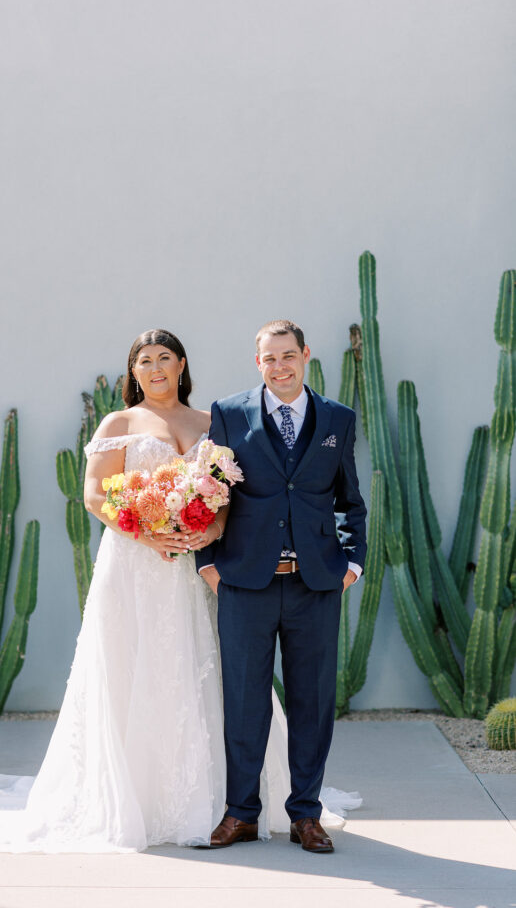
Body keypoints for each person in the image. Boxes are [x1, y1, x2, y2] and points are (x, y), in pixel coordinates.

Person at [0, 327, 360, 853]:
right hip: (137, 565)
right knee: (143, 674)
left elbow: (235, 498)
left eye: (165, 357)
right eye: (145, 360)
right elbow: (95, 495)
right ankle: (159, 802)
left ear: (182, 364)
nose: (156, 367)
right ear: (133, 371)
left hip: (196, 576)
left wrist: (204, 538)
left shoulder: (215, 421)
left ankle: (244, 804)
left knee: (204, 679)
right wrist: (148, 530)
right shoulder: (120, 422)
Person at [195, 319, 367, 853]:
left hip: (315, 584)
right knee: (244, 700)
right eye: (269, 359)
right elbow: (208, 494)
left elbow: (349, 501)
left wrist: (351, 565)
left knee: (313, 702)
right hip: (245, 583)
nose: (280, 367)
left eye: (288, 356)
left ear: (306, 355)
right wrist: (208, 563)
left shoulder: (337, 418)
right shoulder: (229, 414)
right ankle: (242, 813)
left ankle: (305, 815)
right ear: (258, 363)